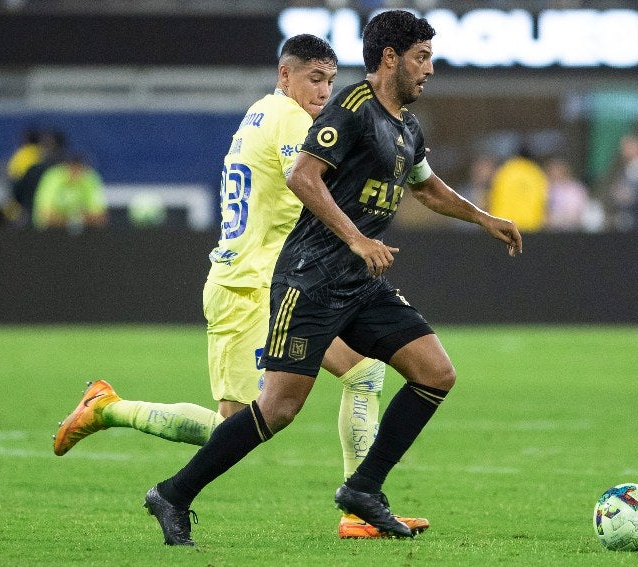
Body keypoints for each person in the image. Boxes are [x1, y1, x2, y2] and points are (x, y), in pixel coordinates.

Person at [142, 10, 522, 546]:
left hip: (360, 283)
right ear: (390, 57)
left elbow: (426, 187)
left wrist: (484, 217)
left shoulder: (406, 127)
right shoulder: (350, 109)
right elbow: (303, 175)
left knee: (435, 372)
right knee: (278, 408)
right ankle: (173, 495)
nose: (430, 69)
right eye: (422, 57)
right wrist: (356, 238)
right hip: (311, 278)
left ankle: (364, 489)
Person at [52, 34, 426, 539]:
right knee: (233, 427)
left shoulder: (261, 113)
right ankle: (110, 408)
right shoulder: (291, 121)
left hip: (280, 284)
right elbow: (308, 181)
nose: (323, 91)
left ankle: (360, 509)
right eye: (314, 79)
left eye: (331, 81)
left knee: (362, 375)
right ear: (284, 75)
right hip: (247, 287)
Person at [32, 152, 108, 230]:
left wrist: (68, 219)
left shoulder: (90, 178)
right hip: (49, 234)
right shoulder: (53, 177)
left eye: (80, 169)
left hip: (84, 235)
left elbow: (100, 217)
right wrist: (77, 219)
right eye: (73, 168)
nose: (76, 173)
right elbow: (43, 215)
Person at [487, 144, 549, 231]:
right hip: (531, 226)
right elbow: (543, 201)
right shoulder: (537, 173)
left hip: (504, 225)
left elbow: (492, 197)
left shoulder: (505, 171)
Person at [1, 128, 43, 223]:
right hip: (40, 192)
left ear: (26, 140)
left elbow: (11, 174)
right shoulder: (42, 153)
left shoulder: (21, 155)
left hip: (24, 191)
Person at [545, 157, 588, 231]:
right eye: (552, 171)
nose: (555, 174)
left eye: (559, 170)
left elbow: (574, 216)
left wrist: (553, 219)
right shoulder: (544, 187)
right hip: (546, 232)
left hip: (571, 232)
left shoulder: (575, 190)